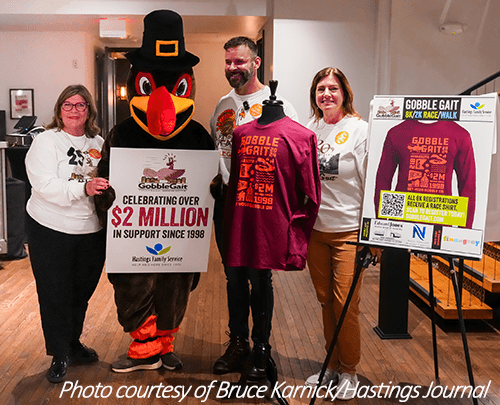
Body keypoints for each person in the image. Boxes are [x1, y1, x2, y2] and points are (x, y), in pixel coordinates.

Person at [209, 36, 299, 375]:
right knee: (233, 278)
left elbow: (292, 156)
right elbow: (218, 155)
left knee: (260, 278)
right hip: (228, 204)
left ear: (256, 63)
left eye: (240, 62)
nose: (233, 68)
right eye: (229, 63)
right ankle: (237, 344)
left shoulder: (280, 106)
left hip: (262, 205)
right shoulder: (222, 105)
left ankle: (262, 347)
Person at [304, 67, 380, 400]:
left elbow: (373, 184)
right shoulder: (310, 129)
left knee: (345, 304)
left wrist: (372, 236)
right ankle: (331, 367)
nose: (327, 95)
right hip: (316, 231)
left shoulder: (361, 130)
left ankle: (350, 369)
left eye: (333, 89)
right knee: (325, 303)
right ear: (314, 96)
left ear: (345, 94)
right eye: (321, 89)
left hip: (350, 231)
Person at [25, 84, 109, 383]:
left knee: (81, 292)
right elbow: (44, 185)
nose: (75, 110)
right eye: (68, 105)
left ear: (90, 111)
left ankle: (73, 343)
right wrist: (82, 187)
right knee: (55, 293)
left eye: (81, 105)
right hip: (51, 228)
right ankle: (59, 354)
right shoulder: (47, 142)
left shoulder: (99, 142)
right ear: (60, 110)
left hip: (90, 230)